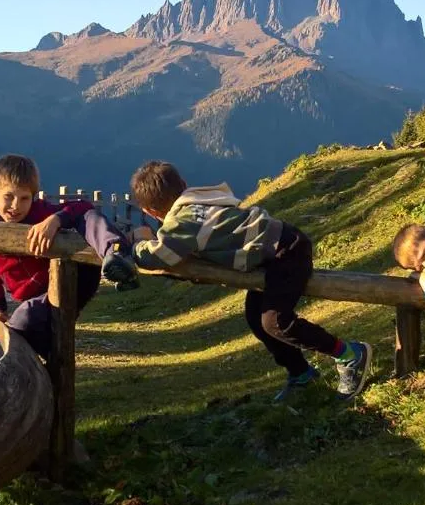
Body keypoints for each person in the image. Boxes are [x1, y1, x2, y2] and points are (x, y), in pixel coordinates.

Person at [129, 160, 372, 401]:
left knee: (275, 322)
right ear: (183, 184)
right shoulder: (198, 200)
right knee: (256, 318)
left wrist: (138, 244)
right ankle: (301, 373)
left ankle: (349, 353)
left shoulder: (183, 221)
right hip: (278, 248)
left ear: (150, 212)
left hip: (285, 253)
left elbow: (159, 256)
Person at [0, 154, 138, 358]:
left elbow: (84, 206)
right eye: (9, 197)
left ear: (34, 196)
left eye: (24, 198)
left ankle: (116, 253)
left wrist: (56, 219)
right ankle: (44, 361)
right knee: (26, 320)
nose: (16, 206)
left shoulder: (41, 213)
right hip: (33, 294)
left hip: (73, 279)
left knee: (87, 216)